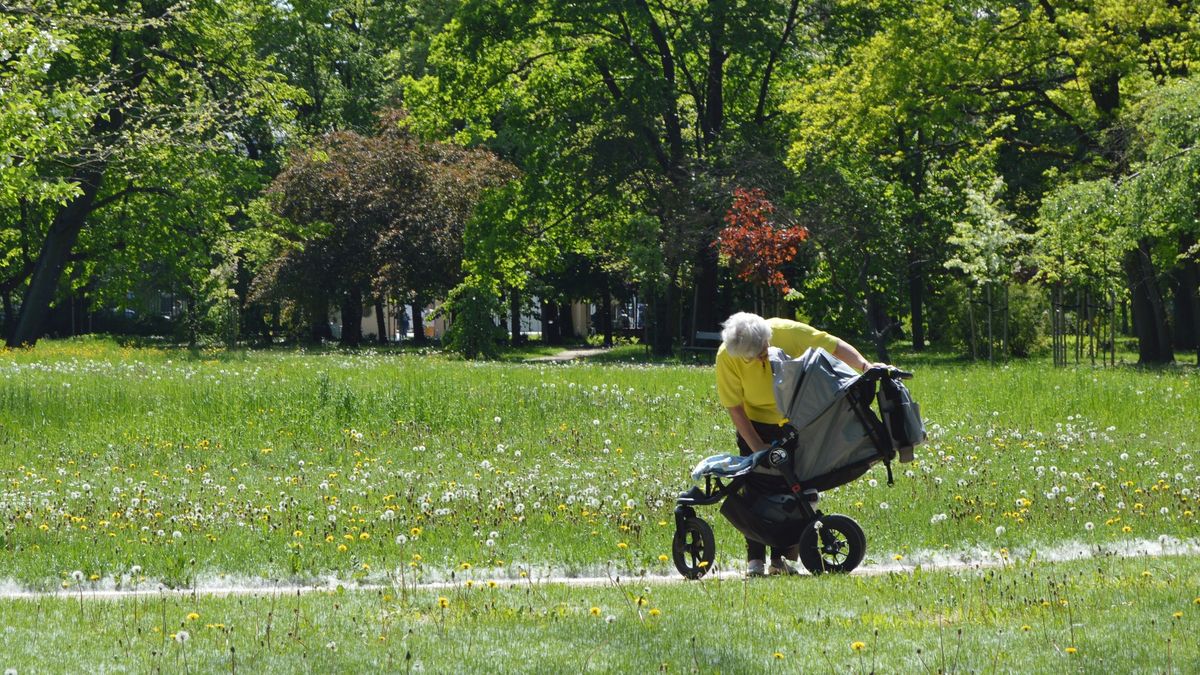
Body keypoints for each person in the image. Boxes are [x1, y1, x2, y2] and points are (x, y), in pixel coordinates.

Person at [716, 311, 880, 577]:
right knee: (756, 488)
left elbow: (834, 345)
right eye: (752, 357)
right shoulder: (728, 356)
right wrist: (758, 449)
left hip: (796, 421)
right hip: (755, 425)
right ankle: (754, 561)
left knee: (794, 487)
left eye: (762, 351)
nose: (761, 358)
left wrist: (865, 366)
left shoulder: (786, 332)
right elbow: (735, 409)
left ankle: (779, 560)